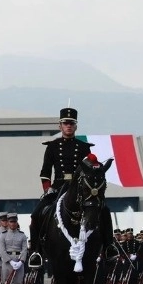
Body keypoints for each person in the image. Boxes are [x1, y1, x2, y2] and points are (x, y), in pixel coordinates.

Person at [29, 107, 94, 268]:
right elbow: (45, 172)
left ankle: (108, 247)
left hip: (79, 189)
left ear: (76, 126)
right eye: (65, 123)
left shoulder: (84, 147)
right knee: (36, 214)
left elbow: (90, 170)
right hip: (57, 187)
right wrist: (47, 189)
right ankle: (36, 251)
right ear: (60, 126)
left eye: (72, 123)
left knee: (103, 211)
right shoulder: (52, 146)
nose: (69, 126)